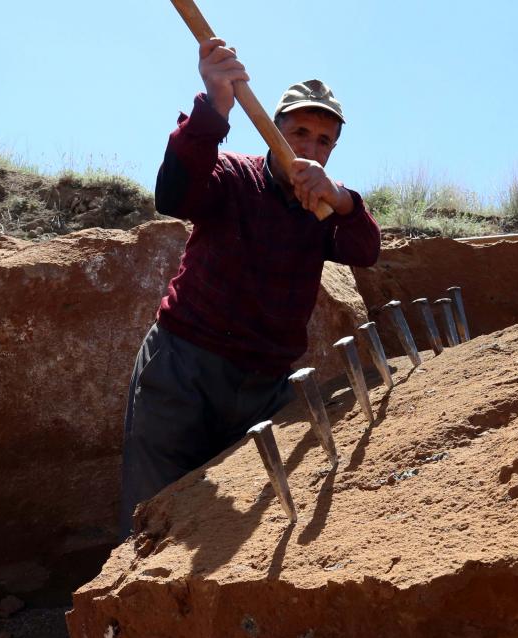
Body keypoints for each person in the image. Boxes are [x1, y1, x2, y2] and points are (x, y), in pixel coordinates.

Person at [119, 37, 381, 535]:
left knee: (242, 527)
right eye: (299, 132)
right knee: (151, 512)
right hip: (183, 367)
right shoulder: (233, 176)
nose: (309, 148)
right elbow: (174, 194)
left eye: (323, 141)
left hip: (264, 387)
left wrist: (343, 199)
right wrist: (214, 109)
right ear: (273, 129)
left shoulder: (322, 207)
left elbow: (366, 250)